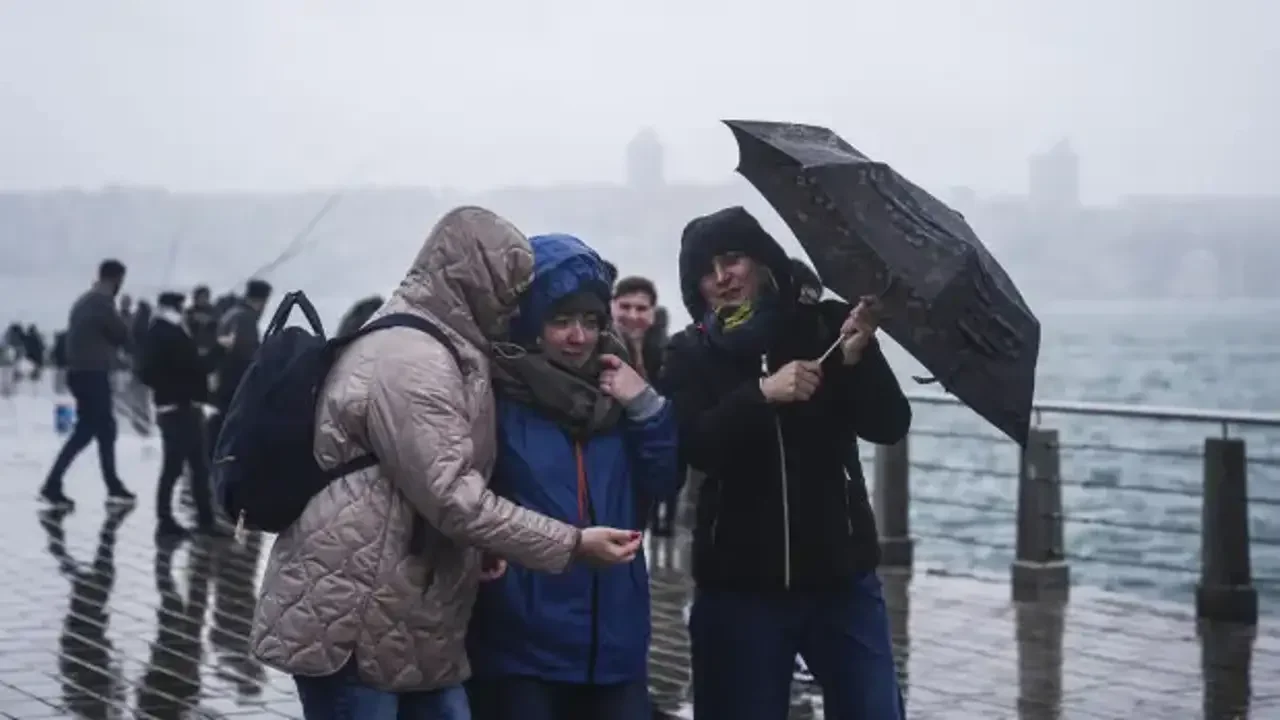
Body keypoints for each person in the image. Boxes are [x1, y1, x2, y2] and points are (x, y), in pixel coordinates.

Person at [249, 206, 644, 720]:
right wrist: (571, 544)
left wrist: (478, 548)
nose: (516, 304)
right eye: (511, 287)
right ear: (475, 278)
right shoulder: (414, 359)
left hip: (408, 610)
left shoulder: (448, 345)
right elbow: (454, 496)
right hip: (357, 615)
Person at [658, 207, 912, 720]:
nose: (722, 277)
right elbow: (692, 445)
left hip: (841, 579)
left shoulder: (827, 327)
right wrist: (761, 395)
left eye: (733, 259)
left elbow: (889, 424)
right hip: (738, 587)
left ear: (763, 261)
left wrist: (860, 361)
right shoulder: (689, 353)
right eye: (706, 271)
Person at [466, 234, 679, 720]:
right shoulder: (495, 399)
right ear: (531, 325)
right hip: (523, 648)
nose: (577, 337)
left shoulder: (622, 395)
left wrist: (647, 407)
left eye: (589, 321)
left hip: (616, 642)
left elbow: (664, 483)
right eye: (560, 321)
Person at [40, 259, 138, 509]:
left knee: (106, 429)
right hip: (92, 375)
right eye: (119, 282)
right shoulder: (101, 304)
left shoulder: (84, 301)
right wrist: (127, 314)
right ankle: (52, 484)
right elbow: (121, 335)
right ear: (115, 279)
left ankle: (113, 484)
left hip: (81, 373)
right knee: (86, 431)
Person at [138, 291, 225, 538]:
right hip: (180, 409)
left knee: (194, 467)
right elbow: (196, 367)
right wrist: (220, 349)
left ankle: (202, 520)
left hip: (176, 408)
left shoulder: (158, 332)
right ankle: (168, 521)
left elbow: (149, 372)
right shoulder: (171, 333)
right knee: (178, 467)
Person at [609, 276, 678, 534]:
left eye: (641, 308)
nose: (633, 315)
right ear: (612, 306)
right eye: (625, 307)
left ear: (652, 312)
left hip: (646, 463)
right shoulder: (596, 348)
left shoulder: (667, 355)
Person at [206, 279, 272, 455]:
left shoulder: (231, 314)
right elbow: (247, 358)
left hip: (221, 386)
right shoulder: (246, 319)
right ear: (260, 301)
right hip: (234, 389)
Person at [184, 285, 220, 357]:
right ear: (195, 298)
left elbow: (220, 327)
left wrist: (209, 321)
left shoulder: (214, 311)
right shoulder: (189, 312)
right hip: (192, 349)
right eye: (200, 297)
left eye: (205, 297)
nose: (203, 299)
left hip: (210, 348)